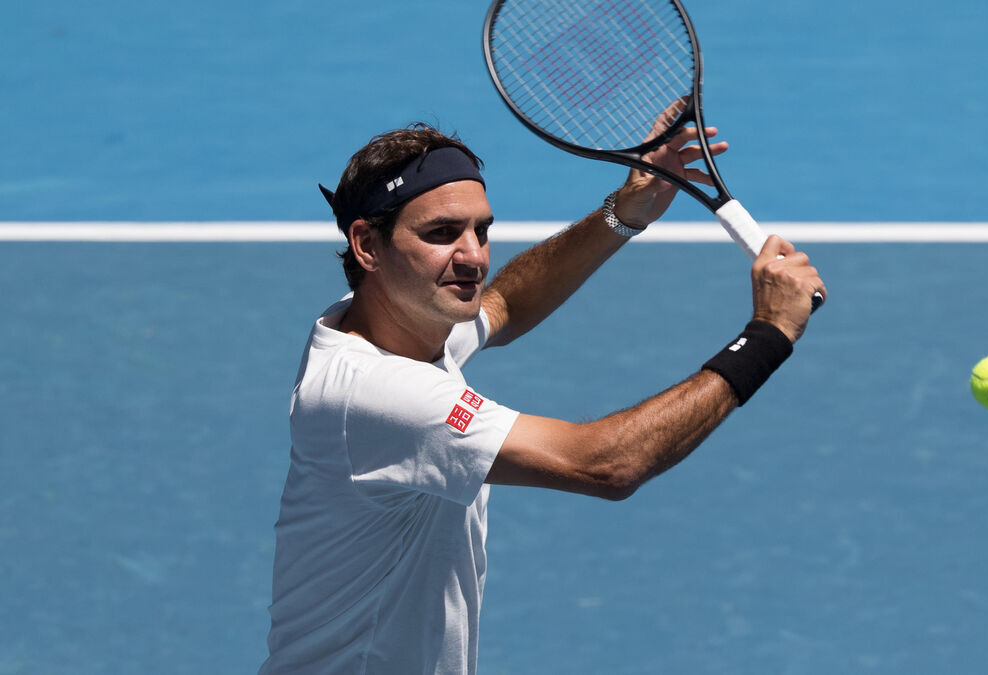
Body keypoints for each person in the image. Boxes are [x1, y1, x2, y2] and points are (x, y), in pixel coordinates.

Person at [261, 122, 826, 674]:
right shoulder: (380, 395)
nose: (472, 257)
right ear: (367, 245)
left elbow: (503, 305)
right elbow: (606, 465)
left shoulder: (394, 316)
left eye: (480, 231)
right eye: (440, 234)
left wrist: (621, 215)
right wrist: (768, 333)